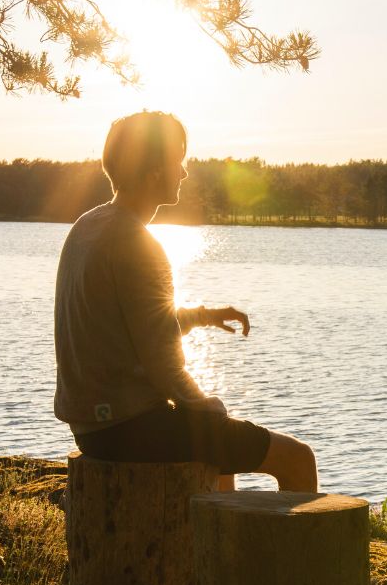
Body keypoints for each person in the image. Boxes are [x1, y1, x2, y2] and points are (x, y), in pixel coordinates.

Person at [53, 111, 317, 492]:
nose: (185, 171)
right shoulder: (138, 243)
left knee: (217, 450)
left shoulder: (89, 225)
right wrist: (211, 408)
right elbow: (164, 364)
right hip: (131, 429)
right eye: (179, 161)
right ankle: (297, 553)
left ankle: (222, 546)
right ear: (155, 171)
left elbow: (135, 324)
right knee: (296, 458)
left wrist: (204, 316)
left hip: (91, 428)